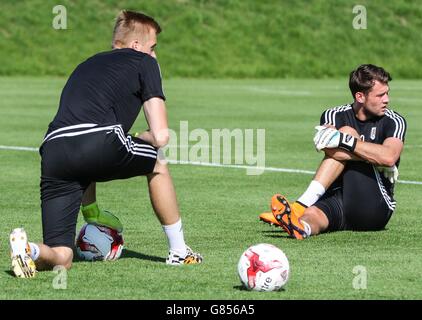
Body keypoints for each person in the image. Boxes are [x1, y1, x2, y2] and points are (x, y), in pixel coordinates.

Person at [9, 10, 202, 278]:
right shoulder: (144, 63)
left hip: (53, 151)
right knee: (157, 162)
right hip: (98, 140)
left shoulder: (85, 64)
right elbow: (161, 136)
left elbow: (79, 135)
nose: (155, 55)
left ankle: (29, 250)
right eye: (153, 47)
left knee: (62, 257)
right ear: (136, 46)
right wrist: (142, 137)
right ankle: (180, 252)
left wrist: (92, 211)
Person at [259, 64, 406, 239]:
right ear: (360, 96)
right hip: (338, 198)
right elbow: (331, 150)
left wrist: (345, 141)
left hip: (374, 206)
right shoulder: (334, 115)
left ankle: (300, 204)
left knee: (347, 133)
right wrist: (373, 156)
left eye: (387, 93)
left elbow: (389, 157)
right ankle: (300, 227)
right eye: (380, 95)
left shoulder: (394, 121)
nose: (386, 99)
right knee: (312, 214)